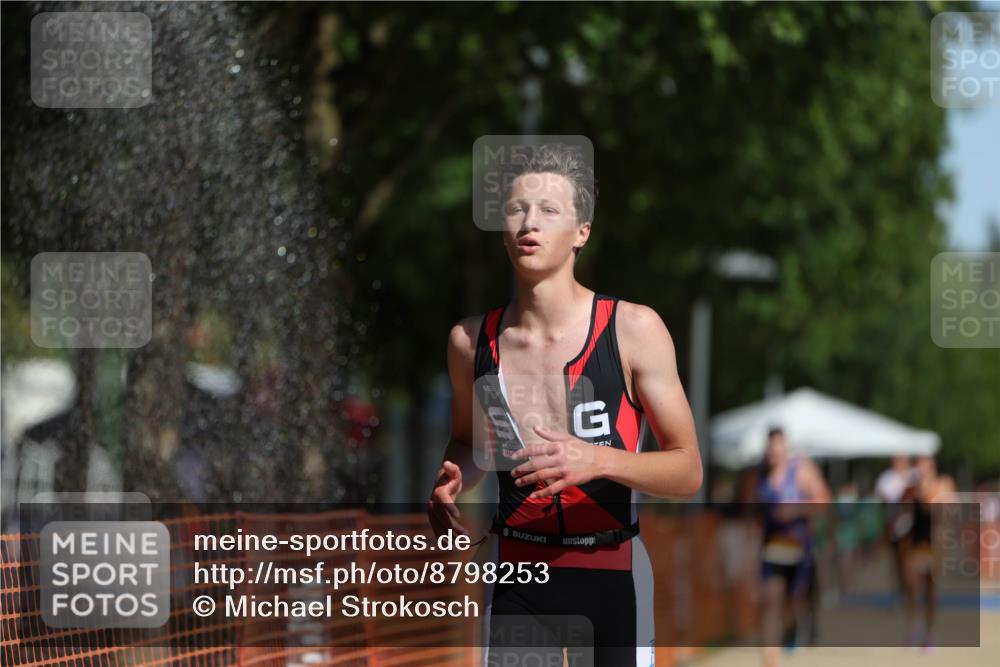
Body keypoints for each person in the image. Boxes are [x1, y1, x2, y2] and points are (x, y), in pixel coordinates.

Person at [427, 143, 702, 666]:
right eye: (516, 209)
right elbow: (469, 443)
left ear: (582, 232)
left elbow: (687, 470)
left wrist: (597, 459)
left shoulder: (633, 329)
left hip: (613, 570)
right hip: (516, 573)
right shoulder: (469, 342)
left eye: (549, 210)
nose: (529, 222)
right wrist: (451, 481)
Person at [756, 427, 831, 667]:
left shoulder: (801, 470)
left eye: (778, 445)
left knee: (793, 601)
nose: (774, 451)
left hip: (800, 548)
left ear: (786, 447)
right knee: (772, 599)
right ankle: (770, 658)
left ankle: (792, 629)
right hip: (772, 548)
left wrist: (796, 510)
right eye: (771, 446)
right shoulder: (760, 475)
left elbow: (824, 502)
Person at [899, 455, 955, 652]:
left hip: (935, 544)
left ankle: (929, 632)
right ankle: (915, 626)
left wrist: (926, 492)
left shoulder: (943, 484)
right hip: (915, 543)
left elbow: (946, 509)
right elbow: (902, 506)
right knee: (912, 588)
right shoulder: (912, 487)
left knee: (931, 591)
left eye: (924, 465)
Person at [876, 455, 916, 607]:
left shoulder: (915, 475)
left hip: (912, 523)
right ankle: (902, 590)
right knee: (897, 560)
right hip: (894, 524)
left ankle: (911, 590)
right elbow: (881, 499)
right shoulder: (886, 477)